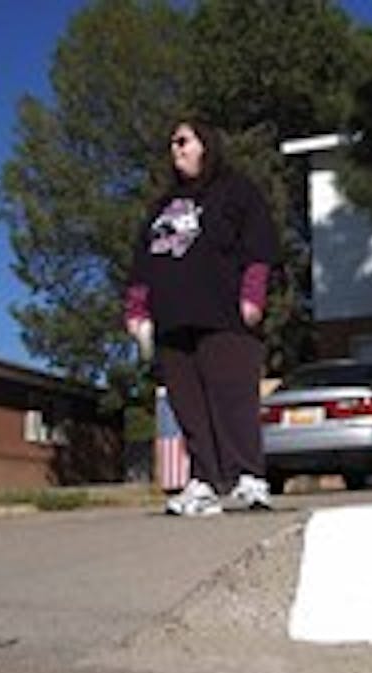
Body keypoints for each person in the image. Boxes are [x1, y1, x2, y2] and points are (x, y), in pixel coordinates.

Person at [124, 118, 277, 515]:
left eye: (183, 141)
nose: (176, 149)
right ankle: (204, 481)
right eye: (172, 143)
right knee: (188, 405)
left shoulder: (236, 191)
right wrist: (137, 311)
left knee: (233, 397)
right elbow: (142, 264)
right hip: (172, 321)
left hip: (223, 313)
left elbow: (259, 245)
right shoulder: (160, 207)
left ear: (206, 144)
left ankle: (249, 477)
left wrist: (253, 294)